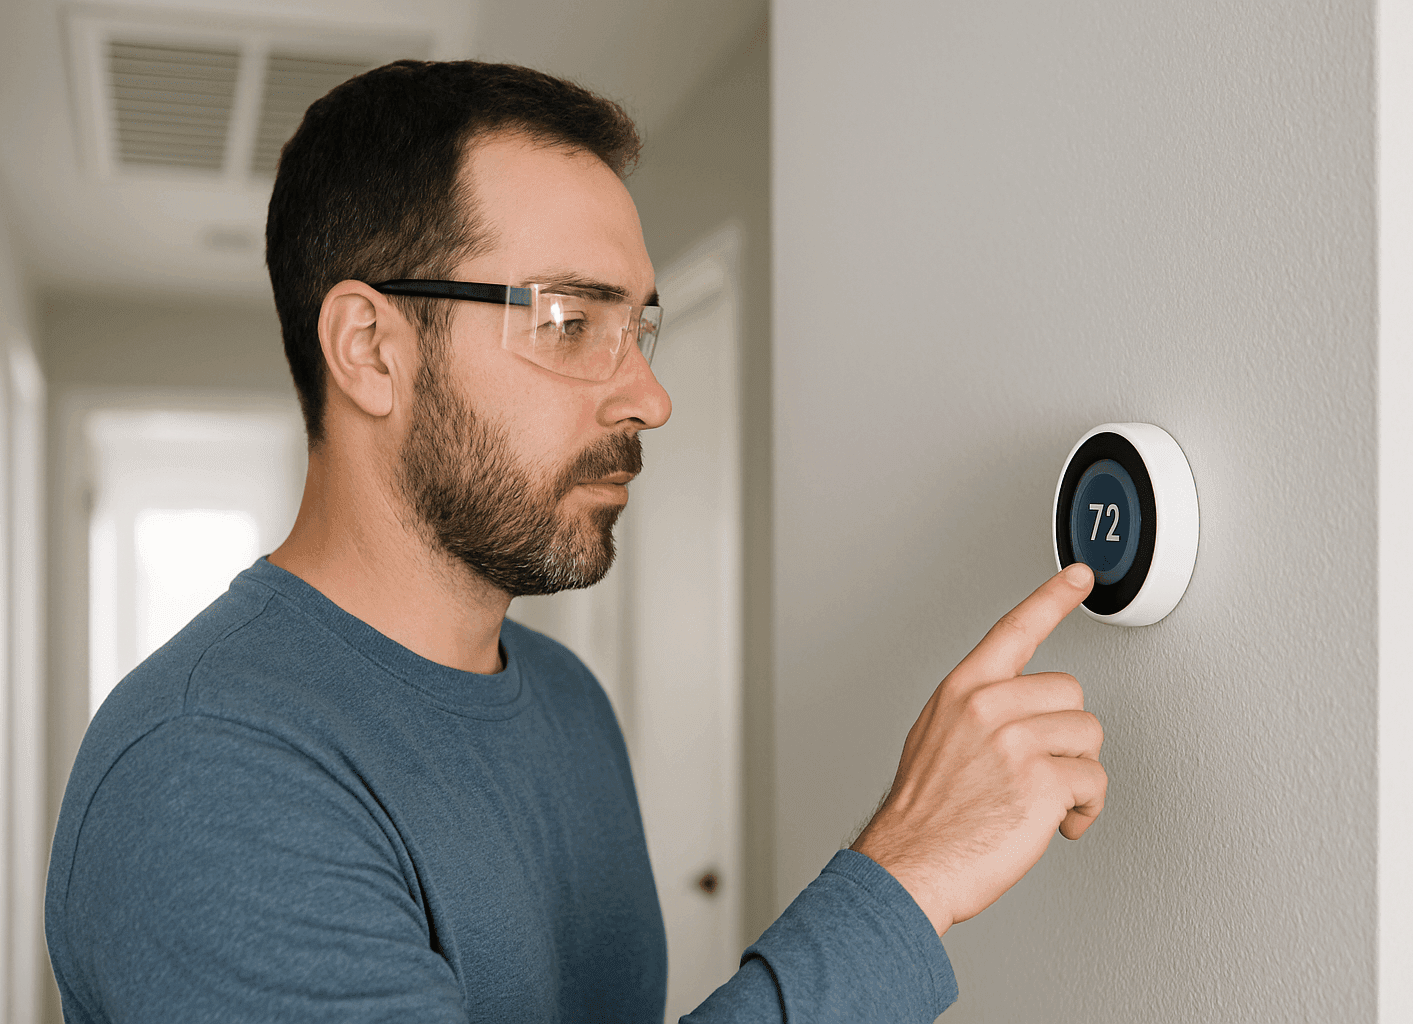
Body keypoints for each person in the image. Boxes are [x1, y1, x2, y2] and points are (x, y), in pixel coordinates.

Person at [44, 60, 1107, 1023]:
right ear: (370, 349)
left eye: (638, 326)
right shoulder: (211, 773)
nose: (648, 395)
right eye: (568, 321)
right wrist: (906, 880)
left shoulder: (564, 700)